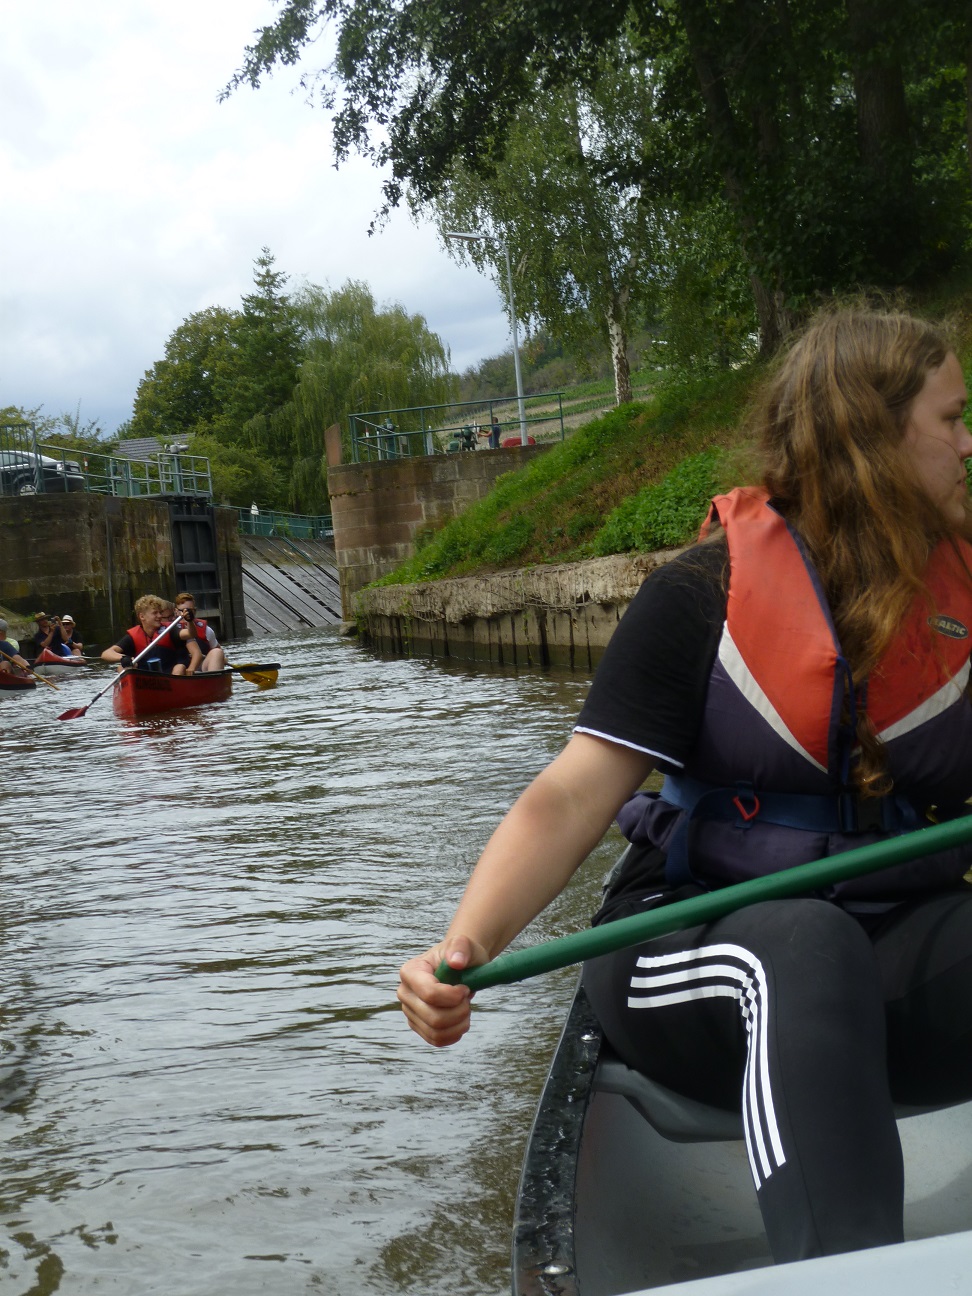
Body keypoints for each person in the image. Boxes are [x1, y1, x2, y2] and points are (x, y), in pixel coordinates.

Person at [397, 307, 972, 1266]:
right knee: (803, 945)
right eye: (951, 419)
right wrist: (462, 947)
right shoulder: (699, 596)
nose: (967, 442)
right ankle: (847, 1277)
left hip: (892, 942)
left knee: (830, 946)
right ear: (872, 437)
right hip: (691, 946)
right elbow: (570, 797)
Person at [101, 594, 202, 675]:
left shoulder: (170, 630)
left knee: (179, 668)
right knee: (122, 668)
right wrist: (123, 658)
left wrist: (190, 621)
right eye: (155, 613)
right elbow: (106, 654)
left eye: (160, 612)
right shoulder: (133, 637)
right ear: (142, 616)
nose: (159, 616)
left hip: (170, 674)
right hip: (145, 679)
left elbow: (191, 634)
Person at [173, 592, 226, 672]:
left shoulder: (207, 630)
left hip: (201, 668)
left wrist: (222, 659)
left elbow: (217, 649)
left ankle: (213, 677)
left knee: (217, 652)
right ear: (176, 611)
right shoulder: (169, 630)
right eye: (183, 611)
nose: (186, 614)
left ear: (195, 611)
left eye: (190, 611)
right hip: (179, 669)